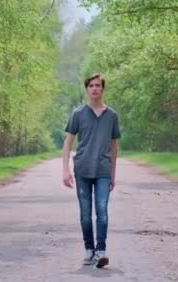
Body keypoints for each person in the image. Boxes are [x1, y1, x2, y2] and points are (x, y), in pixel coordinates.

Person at [62, 73, 121, 268]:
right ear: (87, 89)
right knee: (85, 213)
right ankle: (89, 250)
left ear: (103, 89)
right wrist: (65, 170)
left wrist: (113, 173)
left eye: (98, 86)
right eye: (91, 86)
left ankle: (101, 251)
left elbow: (113, 146)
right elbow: (68, 142)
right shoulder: (78, 114)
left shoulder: (111, 115)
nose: (95, 89)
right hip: (82, 170)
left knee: (102, 211)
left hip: (103, 169)